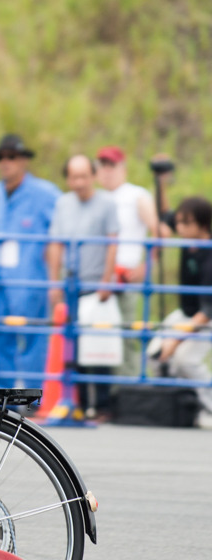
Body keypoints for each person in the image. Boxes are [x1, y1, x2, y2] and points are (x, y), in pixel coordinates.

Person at [0, 134, 61, 388]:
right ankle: (5, 395)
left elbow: (58, 238)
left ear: (24, 160)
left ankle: (34, 394)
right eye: (0, 158)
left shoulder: (46, 194)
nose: (5, 163)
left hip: (30, 279)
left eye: (11, 157)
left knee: (33, 336)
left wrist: (54, 280)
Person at [47, 155, 120, 420]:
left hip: (95, 284)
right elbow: (55, 243)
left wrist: (106, 279)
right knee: (72, 348)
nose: (78, 182)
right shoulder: (63, 204)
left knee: (98, 348)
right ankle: (76, 403)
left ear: (93, 176)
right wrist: (54, 282)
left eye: (83, 176)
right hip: (70, 284)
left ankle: (102, 406)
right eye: (73, 177)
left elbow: (113, 242)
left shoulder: (106, 204)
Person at [95, 145, 165, 377]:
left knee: (123, 335)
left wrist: (147, 266)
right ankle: (109, 392)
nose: (106, 171)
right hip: (101, 275)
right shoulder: (99, 197)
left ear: (122, 168)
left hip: (125, 275)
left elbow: (159, 231)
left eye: (111, 166)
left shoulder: (135, 195)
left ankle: (128, 387)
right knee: (99, 338)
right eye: (102, 166)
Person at [152, 197, 212, 426]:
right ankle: (182, 406)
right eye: (179, 223)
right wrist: (162, 180)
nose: (180, 228)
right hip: (186, 313)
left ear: (203, 225)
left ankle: (209, 406)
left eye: (186, 223)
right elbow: (165, 213)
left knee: (186, 359)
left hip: (206, 317)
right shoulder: (187, 241)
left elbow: (207, 312)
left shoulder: (209, 255)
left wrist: (176, 340)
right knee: (156, 354)